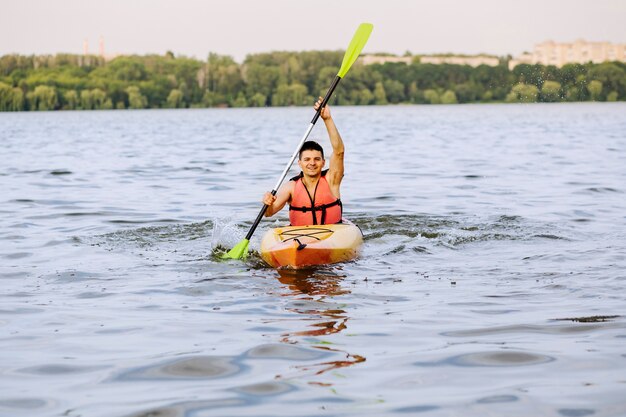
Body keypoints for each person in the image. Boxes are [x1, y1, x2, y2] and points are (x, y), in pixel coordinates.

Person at [263, 97, 344, 226]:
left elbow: (339, 152)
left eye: (317, 159)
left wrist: (327, 119)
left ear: (323, 162)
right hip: (299, 238)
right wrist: (267, 203)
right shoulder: (291, 187)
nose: (312, 163)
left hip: (332, 234)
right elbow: (268, 213)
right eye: (307, 159)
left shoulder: (331, 180)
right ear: (299, 163)